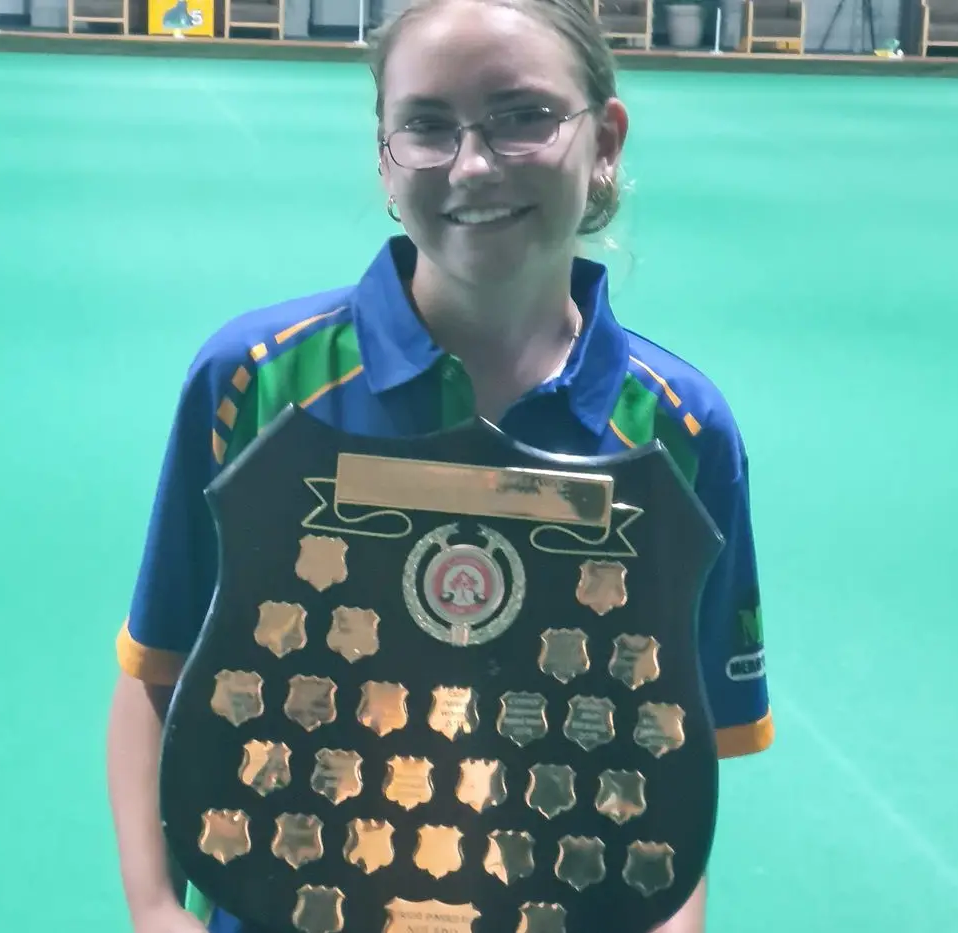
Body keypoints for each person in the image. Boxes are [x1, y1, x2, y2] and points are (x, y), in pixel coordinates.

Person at [105, 0, 775, 931]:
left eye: (523, 116)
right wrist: (153, 906)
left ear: (606, 140)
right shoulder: (254, 382)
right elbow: (159, 672)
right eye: (426, 125)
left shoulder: (681, 431)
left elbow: (666, 750)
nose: (471, 164)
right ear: (384, 154)